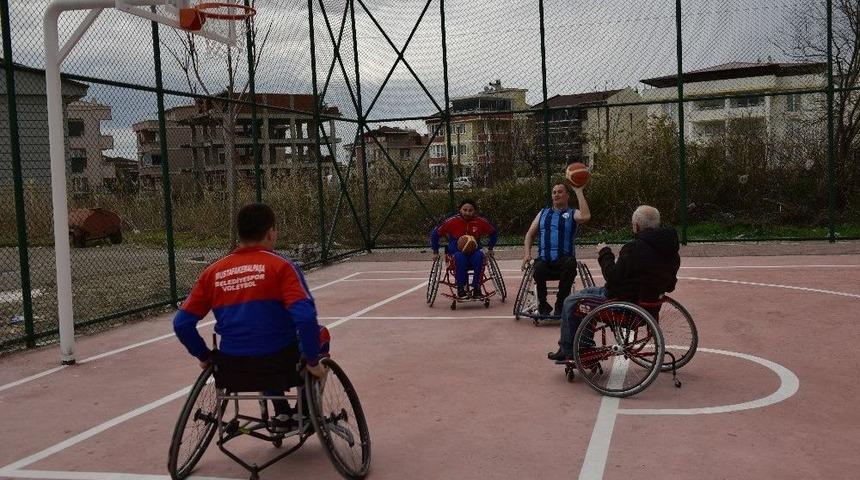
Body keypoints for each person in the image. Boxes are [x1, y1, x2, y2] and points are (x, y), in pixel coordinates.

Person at [173, 203, 326, 432]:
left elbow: (181, 323)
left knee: (259, 345)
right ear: (270, 232)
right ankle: (305, 410)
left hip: (232, 368)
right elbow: (305, 319)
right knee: (319, 334)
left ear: (240, 233)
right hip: (280, 365)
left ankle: (282, 412)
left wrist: (204, 356)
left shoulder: (212, 273)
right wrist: (313, 362)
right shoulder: (282, 267)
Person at [548, 205, 681, 361]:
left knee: (571, 301)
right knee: (587, 292)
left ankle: (569, 349)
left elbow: (611, 277)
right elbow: (670, 285)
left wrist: (605, 252)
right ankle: (582, 345)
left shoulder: (634, 249)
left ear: (636, 226)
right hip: (649, 305)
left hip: (623, 303)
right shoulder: (671, 252)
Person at [523, 183, 591, 317]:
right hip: (545, 260)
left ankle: (560, 304)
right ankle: (542, 304)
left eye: (560, 192)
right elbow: (530, 234)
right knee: (538, 267)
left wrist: (578, 191)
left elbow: (585, 216)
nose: (556, 195)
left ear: (567, 195)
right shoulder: (543, 213)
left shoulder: (572, 213)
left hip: (564, 260)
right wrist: (527, 254)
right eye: (554, 192)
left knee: (570, 264)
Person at [431, 198, 498, 299]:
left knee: (480, 256)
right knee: (459, 257)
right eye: (465, 210)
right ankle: (461, 288)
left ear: (474, 211)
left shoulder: (480, 222)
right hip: (456, 252)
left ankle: (476, 288)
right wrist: (435, 252)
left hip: (474, 252)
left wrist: (490, 248)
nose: (467, 212)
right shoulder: (451, 221)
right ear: (460, 210)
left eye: (470, 210)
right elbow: (435, 234)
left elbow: (493, 233)